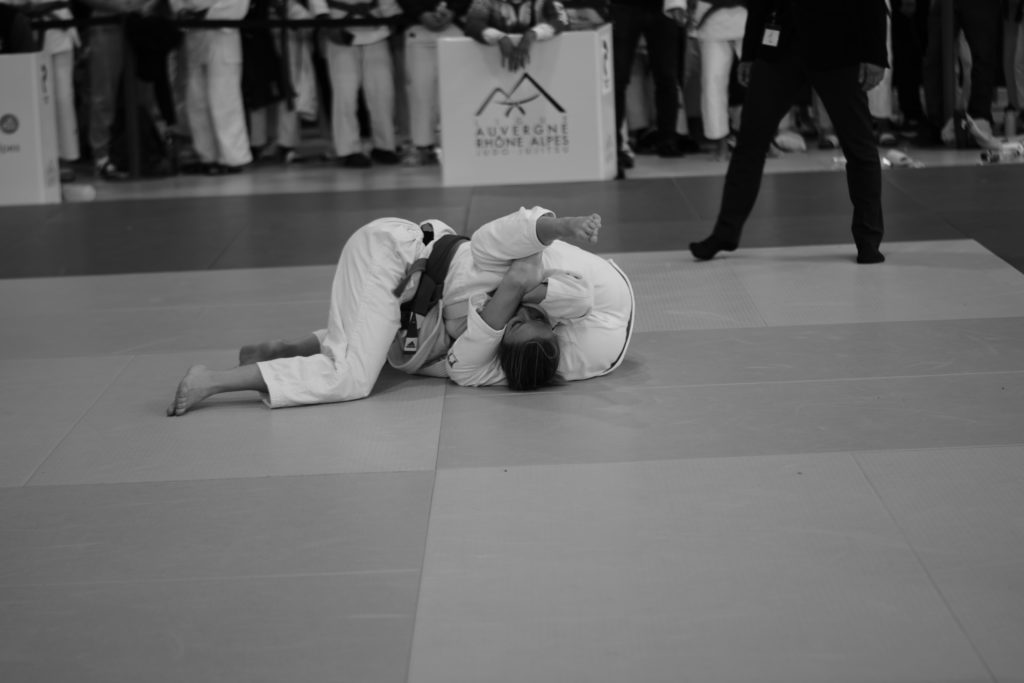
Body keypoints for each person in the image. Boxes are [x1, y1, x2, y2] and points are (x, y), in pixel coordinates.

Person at [167, 208, 634, 415]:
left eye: (509, 328)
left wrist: (513, 294)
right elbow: (523, 227)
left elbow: (463, 368)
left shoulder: (487, 337)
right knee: (351, 379)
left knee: (409, 357)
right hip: (392, 254)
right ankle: (214, 380)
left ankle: (293, 349)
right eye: (526, 319)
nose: (512, 318)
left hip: (408, 304)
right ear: (543, 314)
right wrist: (563, 228)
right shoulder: (496, 259)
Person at [688, 0, 889, 265]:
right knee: (750, 142)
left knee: (858, 144)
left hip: (839, 45)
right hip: (779, 46)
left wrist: (875, 55)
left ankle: (868, 239)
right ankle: (725, 233)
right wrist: (750, 53)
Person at [172, 0, 253, 174]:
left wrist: (204, 14)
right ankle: (207, 157)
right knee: (197, 102)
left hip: (222, 35)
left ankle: (233, 158)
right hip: (194, 36)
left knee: (225, 100)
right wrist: (181, 11)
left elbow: (239, 5)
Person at [398, 0, 470, 166]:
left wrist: (453, 10)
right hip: (418, 29)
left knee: (455, 93)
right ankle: (422, 146)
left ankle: (457, 146)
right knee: (419, 91)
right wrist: (420, 13)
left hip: (454, 27)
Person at [463, 0, 569, 73]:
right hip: (491, 66)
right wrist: (499, 37)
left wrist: (532, 34)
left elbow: (561, 20)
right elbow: (472, 23)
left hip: (541, 65)